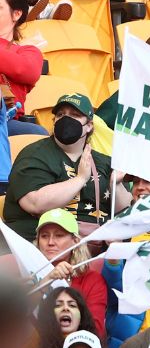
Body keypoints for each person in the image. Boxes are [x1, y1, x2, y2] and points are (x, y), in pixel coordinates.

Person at [3, 92, 121, 241]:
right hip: (40, 245)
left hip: (93, 246)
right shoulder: (34, 155)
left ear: (89, 126)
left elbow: (122, 212)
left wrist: (115, 183)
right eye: (60, 115)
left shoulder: (104, 161)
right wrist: (80, 179)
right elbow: (34, 203)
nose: (66, 119)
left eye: (74, 115)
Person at [30, 208, 106, 329]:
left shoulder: (92, 280)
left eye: (59, 235)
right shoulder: (26, 273)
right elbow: (14, 316)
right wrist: (47, 279)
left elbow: (95, 330)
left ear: (75, 241)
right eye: (44, 236)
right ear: (37, 241)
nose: (50, 242)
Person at [0, 0, 43, 148]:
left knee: (37, 134)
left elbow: (27, 70)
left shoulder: (27, 52)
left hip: (8, 122)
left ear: (16, 14)